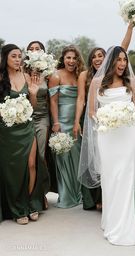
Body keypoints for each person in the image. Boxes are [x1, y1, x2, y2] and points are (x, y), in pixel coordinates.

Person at [79, 46, 135, 245]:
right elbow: (91, 112)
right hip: (107, 136)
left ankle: (124, 228)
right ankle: (110, 220)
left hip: (128, 134)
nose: (123, 64)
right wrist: (107, 118)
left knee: (124, 178)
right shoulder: (97, 82)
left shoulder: (130, 82)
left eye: (125, 60)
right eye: (119, 60)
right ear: (111, 61)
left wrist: (125, 117)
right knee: (110, 178)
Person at [74, 23, 134, 210]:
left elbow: (122, 48)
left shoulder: (120, 75)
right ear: (91, 60)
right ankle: (94, 200)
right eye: (95, 56)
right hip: (98, 120)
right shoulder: (89, 77)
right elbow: (82, 100)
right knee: (97, 161)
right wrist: (78, 121)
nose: (98, 59)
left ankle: (107, 201)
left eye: (102, 55)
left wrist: (130, 27)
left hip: (119, 121)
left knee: (113, 163)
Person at [0, 44, 39, 224]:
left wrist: (33, 94)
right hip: (7, 131)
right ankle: (17, 208)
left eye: (19, 56)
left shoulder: (26, 76)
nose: (18, 59)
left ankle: (29, 202)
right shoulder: (0, 77)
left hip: (27, 127)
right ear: (5, 58)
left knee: (31, 165)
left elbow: (34, 106)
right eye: (13, 56)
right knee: (13, 170)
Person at [48, 45, 86, 208]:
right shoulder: (56, 76)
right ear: (63, 59)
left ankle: (78, 194)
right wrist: (56, 122)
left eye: (74, 58)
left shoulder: (80, 75)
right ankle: (66, 196)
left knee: (76, 159)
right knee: (63, 159)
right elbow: (53, 101)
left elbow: (81, 99)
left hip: (76, 121)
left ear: (78, 60)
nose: (71, 61)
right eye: (68, 58)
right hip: (62, 121)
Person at [24, 41, 51, 212]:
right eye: (31, 49)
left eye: (37, 49)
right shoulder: (22, 72)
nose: (34, 51)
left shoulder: (48, 74)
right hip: (25, 118)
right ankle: (24, 194)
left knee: (40, 156)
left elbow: (53, 99)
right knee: (27, 159)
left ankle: (40, 195)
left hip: (42, 118)